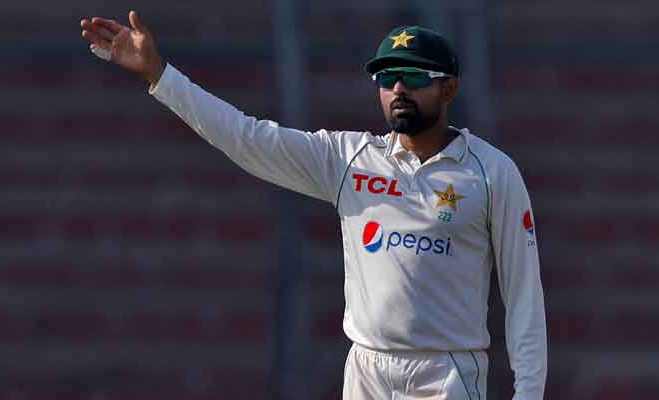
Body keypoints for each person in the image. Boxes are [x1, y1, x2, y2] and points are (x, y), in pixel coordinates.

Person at [80, 11, 547, 400]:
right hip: (367, 371)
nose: (398, 89)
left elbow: (523, 295)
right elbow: (246, 138)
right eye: (387, 77)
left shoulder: (491, 173)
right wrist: (162, 77)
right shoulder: (349, 159)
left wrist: (527, 394)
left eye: (412, 76)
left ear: (448, 88)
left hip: (447, 375)